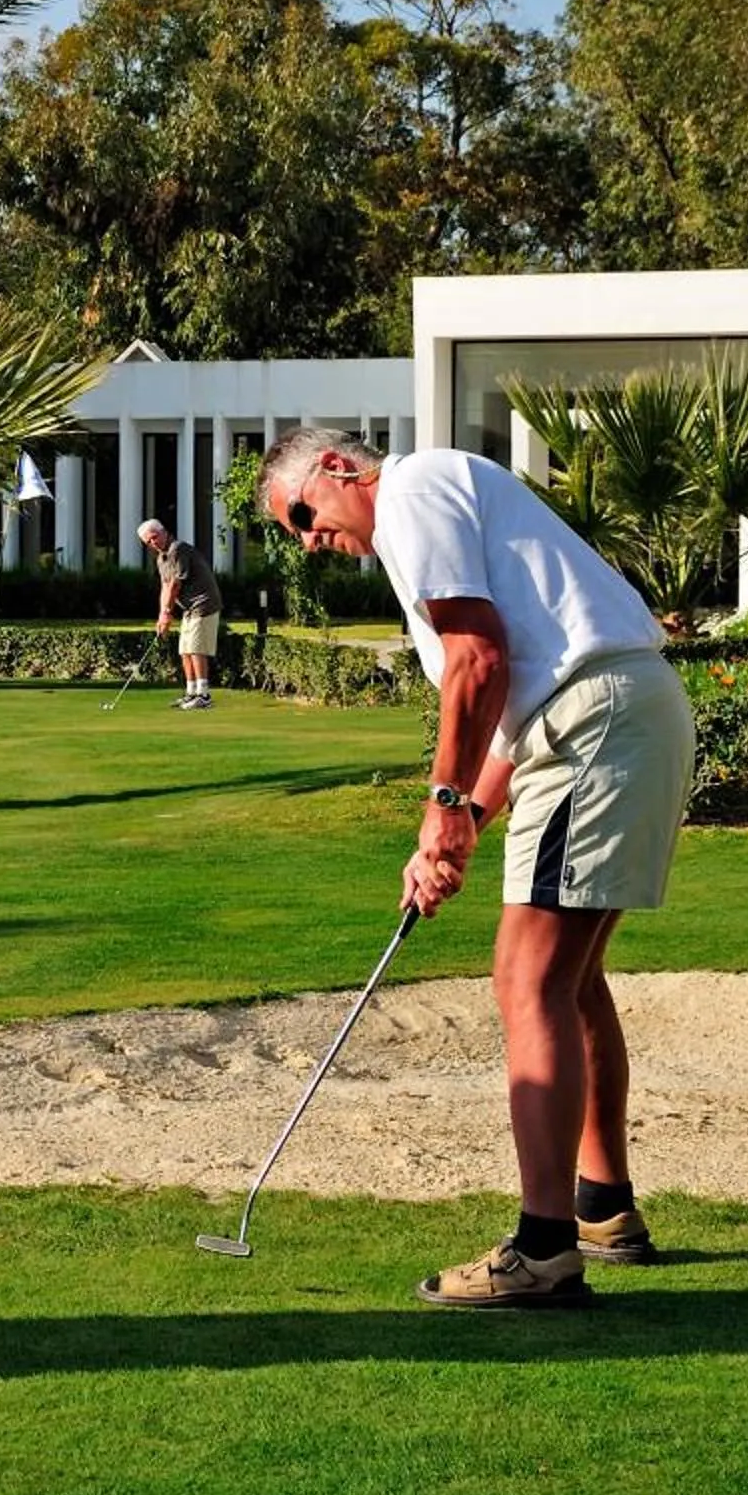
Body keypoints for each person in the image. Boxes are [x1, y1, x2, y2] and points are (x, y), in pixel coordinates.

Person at [259, 427, 694, 1310]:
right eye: (291, 532)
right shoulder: (440, 501)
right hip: (613, 715)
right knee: (569, 982)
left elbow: (478, 658)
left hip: (595, 725)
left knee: (526, 978)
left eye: (302, 515)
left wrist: (445, 806)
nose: (308, 540)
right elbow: (505, 703)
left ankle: (543, 1250)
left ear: (339, 469)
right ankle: (602, 1207)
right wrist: (458, 830)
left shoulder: (413, 490)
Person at [139, 518, 222, 710]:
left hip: (203, 603)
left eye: (154, 538)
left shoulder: (178, 549)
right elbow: (165, 587)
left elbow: (176, 584)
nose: (153, 543)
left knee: (195, 648)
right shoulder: (162, 558)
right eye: (148, 542)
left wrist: (167, 613)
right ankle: (191, 692)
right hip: (189, 608)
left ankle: (204, 695)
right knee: (184, 650)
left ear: (164, 532)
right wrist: (162, 614)